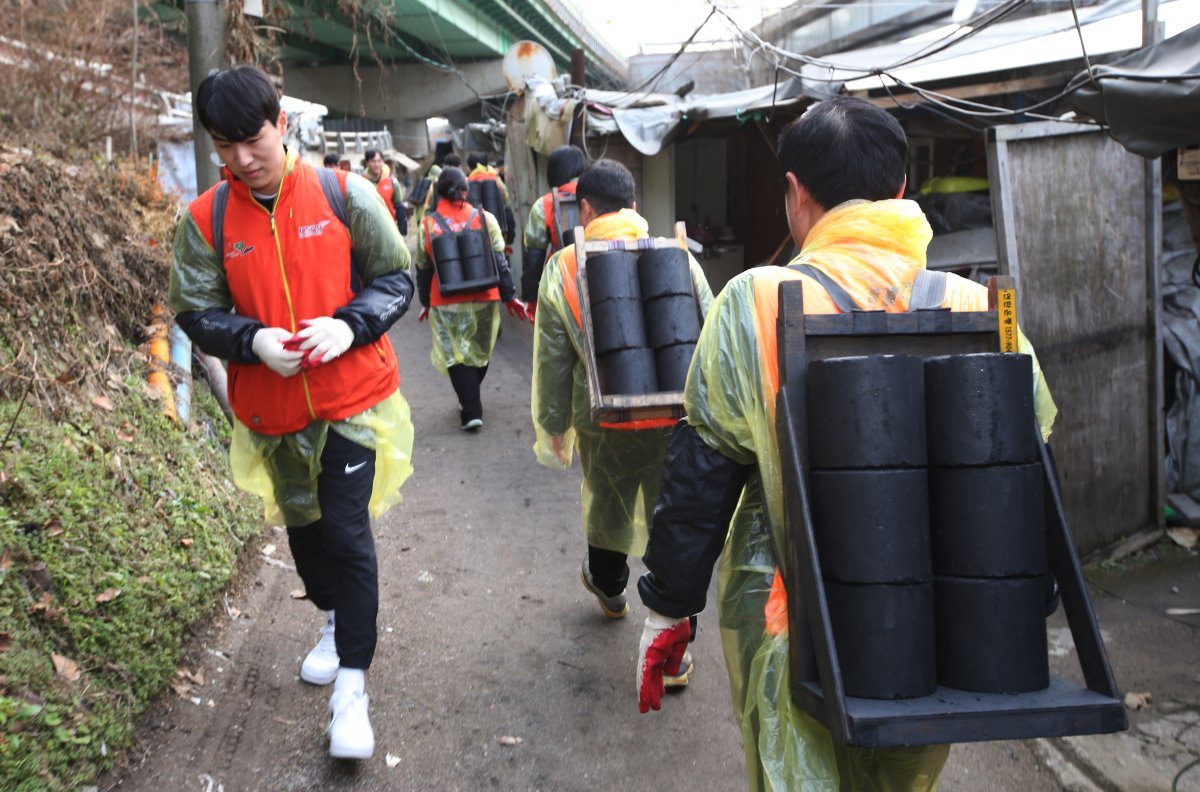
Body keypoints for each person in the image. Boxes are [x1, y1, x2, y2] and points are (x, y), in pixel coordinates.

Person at [632, 97, 1059, 790]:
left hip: (794, 625)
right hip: (946, 637)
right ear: (900, 191)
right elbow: (1023, 471)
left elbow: (703, 471)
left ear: (796, 194)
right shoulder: (979, 306)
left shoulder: (756, 300)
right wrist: (1020, 602)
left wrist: (667, 606)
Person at [168, 65, 416, 762]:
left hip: (350, 403)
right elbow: (194, 310)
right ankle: (333, 623)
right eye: (225, 145)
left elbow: (398, 277)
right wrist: (250, 340)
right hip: (273, 412)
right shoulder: (208, 219)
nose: (241, 159)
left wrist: (351, 324)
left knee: (346, 532)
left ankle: (352, 693)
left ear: (281, 123)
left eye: (252, 139)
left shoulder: (345, 193)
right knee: (306, 541)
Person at [531, 159, 714, 647]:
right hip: (676, 423)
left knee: (607, 509)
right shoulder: (678, 255)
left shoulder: (565, 266)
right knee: (670, 521)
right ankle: (675, 652)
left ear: (585, 208)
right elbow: (708, 335)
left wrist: (553, 425)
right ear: (635, 206)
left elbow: (553, 359)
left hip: (603, 423)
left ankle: (611, 592)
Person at [415, 166, 532, 431]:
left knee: (456, 355)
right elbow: (500, 262)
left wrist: (424, 301)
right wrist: (510, 296)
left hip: (446, 303)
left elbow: (423, 268)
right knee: (480, 350)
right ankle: (471, 399)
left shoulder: (428, 224)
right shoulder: (485, 218)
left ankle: (470, 409)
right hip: (484, 298)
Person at [521, 145, 587, 314]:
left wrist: (531, 298)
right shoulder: (599, 194)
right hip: (603, 278)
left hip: (561, 286)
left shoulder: (544, 204)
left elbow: (533, 256)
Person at [466, 152, 515, 245]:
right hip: (498, 231)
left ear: (470, 168)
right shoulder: (497, 181)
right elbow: (507, 205)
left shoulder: (467, 184)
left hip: (477, 235)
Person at [363, 148, 408, 236]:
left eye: (379, 161)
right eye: (373, 161)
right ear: (367, 163)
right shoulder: (361, 183)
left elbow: (399, 207)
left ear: (383, 162)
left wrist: (402, 232)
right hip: (369, 231)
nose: (376, 164)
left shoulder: (392, 181)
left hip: (390, 229)